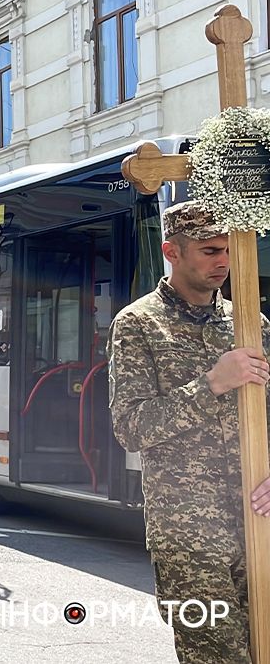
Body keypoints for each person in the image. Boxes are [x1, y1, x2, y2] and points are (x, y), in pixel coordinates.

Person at [108, 200, 270, 663]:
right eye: (210, 250)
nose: (224, 261)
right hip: (188, 535)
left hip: (257, 520)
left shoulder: (251, 324)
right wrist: (212, 384)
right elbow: (131, 427)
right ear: (172, 252)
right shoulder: (138, 324)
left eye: (228, 250)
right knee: (218, 656)